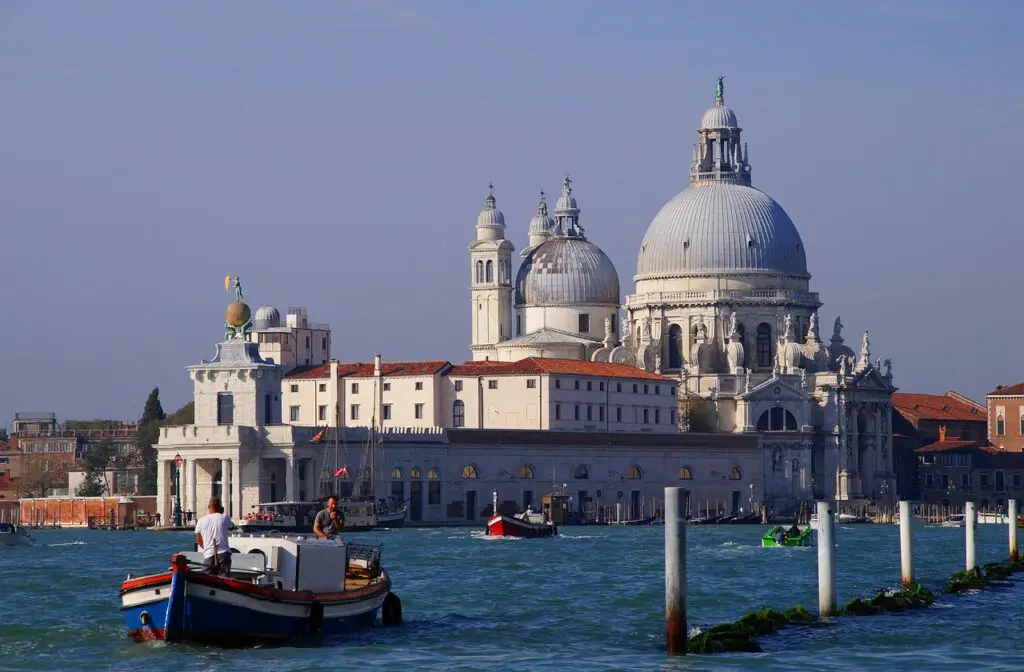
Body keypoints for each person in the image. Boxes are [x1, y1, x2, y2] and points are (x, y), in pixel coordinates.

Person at [195, 496, 233, 575]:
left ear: (208, 507)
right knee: (224, 579)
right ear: (220, 507)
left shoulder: (200, 521)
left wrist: (207, 548)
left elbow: (198, 540)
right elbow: (232, 526)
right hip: (223, 553)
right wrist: (222, 513)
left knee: (206, 579)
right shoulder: (224, 517)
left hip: (209, 554)